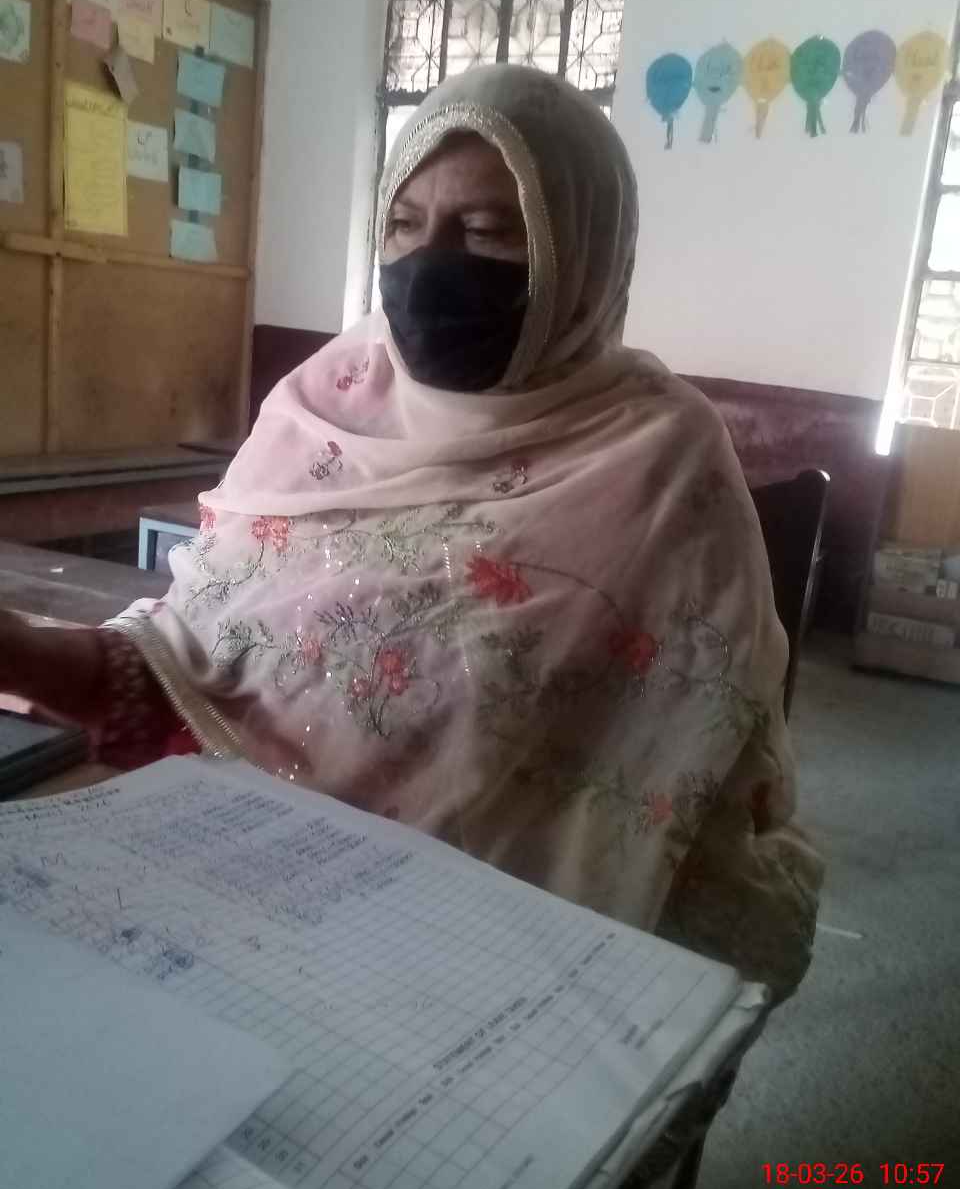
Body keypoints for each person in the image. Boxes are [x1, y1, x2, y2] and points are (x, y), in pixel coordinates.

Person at [0, 64, 821, 999]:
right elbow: (191, 673)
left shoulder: (661, 462)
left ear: (580, 252)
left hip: (466, 970)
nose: (431, 264)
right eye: (403, 224)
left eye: (487, 231)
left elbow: (664, 783)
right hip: (222, 885)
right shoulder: (324, 406)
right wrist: (21, 650)